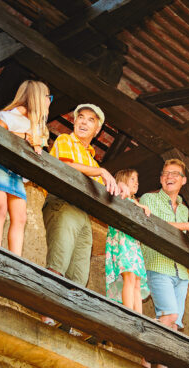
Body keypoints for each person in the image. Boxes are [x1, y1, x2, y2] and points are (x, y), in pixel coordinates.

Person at [43, 104, 128, 287]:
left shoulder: (92, 162)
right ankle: (46, 316)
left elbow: (107, 192)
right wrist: (102, 172)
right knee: (58, 264)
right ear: (74, 122)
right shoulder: (65, 140)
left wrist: (122, 188)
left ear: (97, 130)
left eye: (91, 120)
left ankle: (63, 316)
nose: (84, 122)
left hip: (84, 216)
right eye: (81, 117)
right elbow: (65, 167)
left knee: (79, 281)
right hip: (63, 204)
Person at [139, 159, 189, 368]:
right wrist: (188, 227)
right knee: (168, 317)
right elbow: (156, 225)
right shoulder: (148, 198)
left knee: (175, 325)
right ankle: (144, 360)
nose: (169, 177)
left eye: (175, 174)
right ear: (160, 179)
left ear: (184, 180)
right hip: (158, 264)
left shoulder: (184, 210)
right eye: (166, 174)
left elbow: (179, 237)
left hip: (181, 272)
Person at [0, 80, 51, 256]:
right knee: (0, 208)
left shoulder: (36, 126)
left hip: (16, 173)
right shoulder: (9, 116)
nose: (49, 101)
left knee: (21, 217)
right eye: (48, 97)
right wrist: (24, 136)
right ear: (37, 97)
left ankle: (14, 257)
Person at [105, 169, 151, 312]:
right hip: (122, 241)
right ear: (123, 180)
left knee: (136, 280)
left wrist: (140, 205)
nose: (136, 182)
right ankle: (129, 312)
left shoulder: (134, 201)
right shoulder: (119, 192)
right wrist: (139, 205)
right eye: (132, 179)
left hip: (133, 243)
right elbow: (118, 191)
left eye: (137, 180)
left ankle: (139, 315)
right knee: (130, 276)